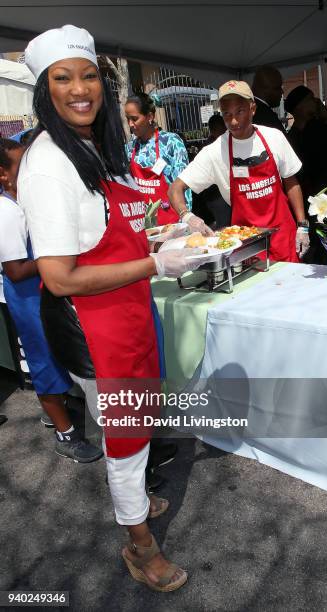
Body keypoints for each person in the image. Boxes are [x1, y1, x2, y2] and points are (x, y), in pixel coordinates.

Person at [19, 25, 214, 592]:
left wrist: (174, 228)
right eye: (63, 79)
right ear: (44, 90)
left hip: (130, 313)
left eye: (88, 77)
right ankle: (140, 546)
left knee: (140, 421)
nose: (80, 89)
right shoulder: (49, 163)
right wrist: (158, 265)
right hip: (94, 327)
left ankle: (133, 496)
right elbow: (59, 277)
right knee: (126, 439)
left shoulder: (96, 150)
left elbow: (118, 230)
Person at [0, 138, 103, 461]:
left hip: (48, 292)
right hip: (27, 298)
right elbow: (15, 270)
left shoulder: (27, 200)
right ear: (3, 175)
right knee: (44, 360)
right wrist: (56, 255)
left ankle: (55, 409)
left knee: (62, 353)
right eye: (21, 166)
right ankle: (65, 433)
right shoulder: (5, 212)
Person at [168, 80, 310, 262]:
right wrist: (187, 216)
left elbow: (291, 181)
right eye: (227, 114)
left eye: (240, 112)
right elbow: (175, 188)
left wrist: (302, 226)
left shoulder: (274, 137)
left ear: (253, 109)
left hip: (284, 236)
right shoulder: (214, 152)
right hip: (246, 244)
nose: (233, 121)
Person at [285, 85, 327, 264]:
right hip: (315, 199)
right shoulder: (294, 137)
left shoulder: (316, 127)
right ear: (299, 107)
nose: (315, 102)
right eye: (310, 99)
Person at [125, 93, 192, 225]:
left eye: (134, 119)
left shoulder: (171, 142)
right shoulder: (130, 148)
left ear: (150, 116)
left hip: (172, 223)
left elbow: (185, 186)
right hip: (143, 224)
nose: (130, 124)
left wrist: (185, 223)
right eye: (128, 119)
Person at [252, 65, 287, 134]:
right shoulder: (266, 116)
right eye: (277, 88)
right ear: (263, 89)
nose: (282, 92)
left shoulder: (247, 110)